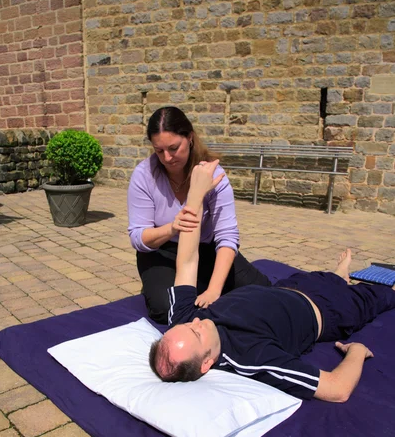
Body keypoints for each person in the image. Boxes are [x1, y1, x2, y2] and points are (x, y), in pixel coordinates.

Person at [149, 160, 395, 402]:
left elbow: (188, 261)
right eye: (197, 334)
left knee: (327, 277)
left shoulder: (182, 321)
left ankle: (340, 275)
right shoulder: (251, 356)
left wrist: (195, 196)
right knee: (386, 294)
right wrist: (357, 352)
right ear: (206, 363)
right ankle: (344, 280)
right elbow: (337, 389)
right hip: (331, 309)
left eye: (187, 326)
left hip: (291, 287)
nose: (196, 321)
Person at [127, 106, 270, 324]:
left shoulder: (215, 176)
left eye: (174, 148)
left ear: (190, 138)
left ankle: (203, 284)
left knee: (264, 293)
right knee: (166, 309)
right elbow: (138, 238)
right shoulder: (143, 175)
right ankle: (165, 283)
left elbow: (227, 237)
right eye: (159, 150)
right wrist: (172, 228)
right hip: (162, 253)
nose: (167, 157)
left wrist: (214, 290)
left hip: (207, 250)